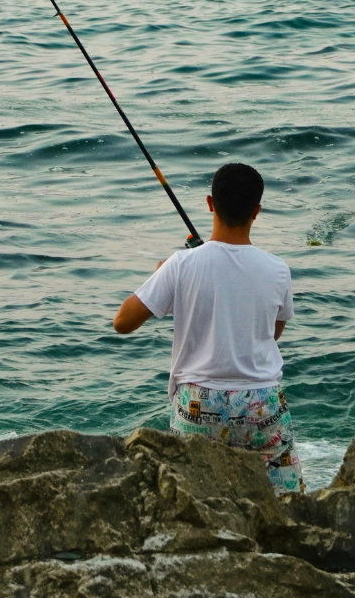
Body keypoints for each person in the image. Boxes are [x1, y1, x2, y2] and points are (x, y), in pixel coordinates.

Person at [112, 162, 304, 493]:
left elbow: (122, 322)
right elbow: (270, 335)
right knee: (288, 502)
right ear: (256, 211)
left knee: (193, 497)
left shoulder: (181, 265)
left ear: (210, 203)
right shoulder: (278, 270)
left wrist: (164, 276)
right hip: (261, 404)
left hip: (198, 404)